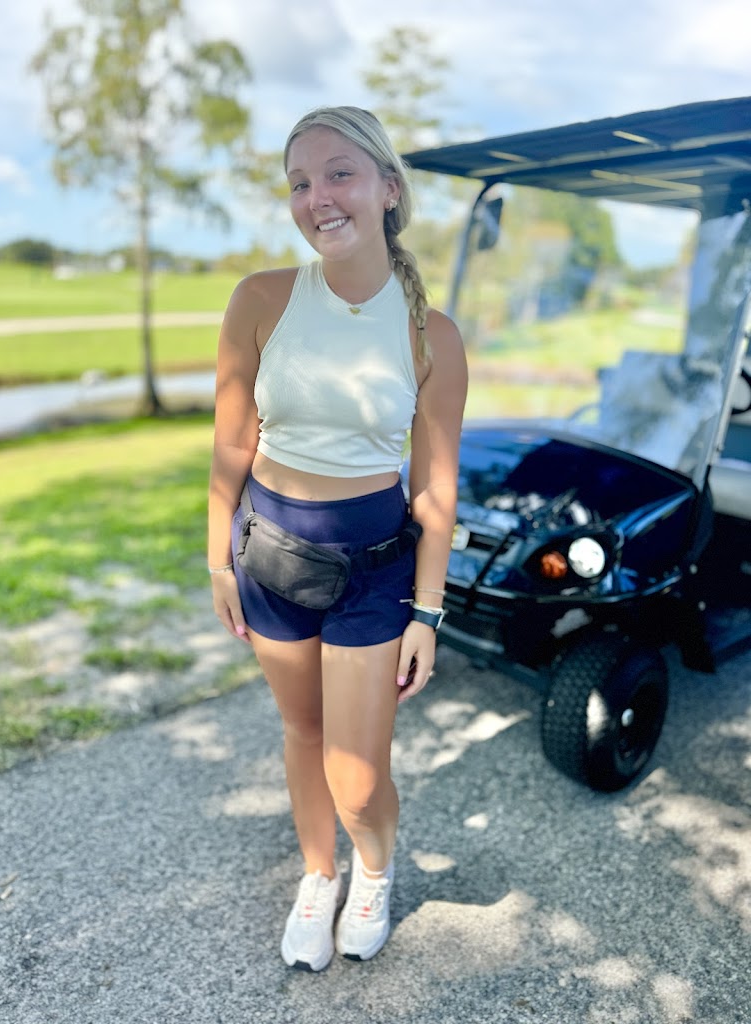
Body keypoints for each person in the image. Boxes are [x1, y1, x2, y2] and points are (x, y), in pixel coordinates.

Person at [208, 105, 467, 971]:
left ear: (389, 189)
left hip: (374, 571)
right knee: (303, 732)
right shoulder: (260, 299)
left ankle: (374, 869)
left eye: (339, 174)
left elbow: (434, 487)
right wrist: (218, 561)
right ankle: (319, 875)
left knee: (357, 776)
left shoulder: (433, 335)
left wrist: (428, 611)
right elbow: (232, 447)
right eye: (299, 182)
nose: (316, 196)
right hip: (270, 555)